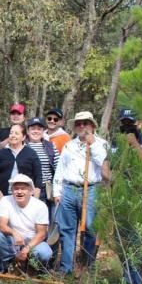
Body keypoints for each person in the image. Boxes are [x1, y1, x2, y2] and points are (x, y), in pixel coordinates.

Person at [53, 111, 108, 275]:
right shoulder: (69, 145)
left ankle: (87, 265)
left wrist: (92, 143)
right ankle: (66, 268)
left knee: (90, 228)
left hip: (91, 189)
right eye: (79, 123)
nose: (82, 126)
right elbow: (60, 169)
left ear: (92, 125)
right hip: (69, 189)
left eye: (85, 123)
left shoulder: (101, 144)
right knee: (67, 229)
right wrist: (57, 191)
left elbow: (103, 164)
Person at [111, 108, 142, 284]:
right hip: (119, 197)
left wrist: (135, 144)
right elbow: (107, 164)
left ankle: (137, 283)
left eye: (131, 123)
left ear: (139, 123)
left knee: (136, 241)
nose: (127, 127)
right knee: (120, 241)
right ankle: (128, 280)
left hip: (140, 199)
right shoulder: (115, 142)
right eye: (124, 123)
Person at [0, 174, 52, 272]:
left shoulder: (40, 206)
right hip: (14, 241)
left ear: (30, 191)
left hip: (33, 242)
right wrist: (14, 233)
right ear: (12, 191)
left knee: (45, 253)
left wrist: (27, 249)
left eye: (23, 189)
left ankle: (32, 268)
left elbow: (42, 233)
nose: (19, 192)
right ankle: (11, 263)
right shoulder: (5, 200)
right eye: (16, 189)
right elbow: (1, 226)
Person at [0, 124, 42, 198]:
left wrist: (36, 197)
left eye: (16, 133)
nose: (13, 135)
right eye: (11, 133)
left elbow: (38, 176)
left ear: (23, 137)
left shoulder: (31, 153)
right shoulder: (0, 153)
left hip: (25, 197)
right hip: (2, 196)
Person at [26, 117, 59, 209]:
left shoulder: (50, 146)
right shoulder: (22, 146)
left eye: (39, 129)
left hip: (47, 189)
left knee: (47, 220)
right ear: (28, 131)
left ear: (43, 131)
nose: (36, 131)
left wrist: (58, 189)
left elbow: (58, 168)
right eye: (33, 128)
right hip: (27, 188)